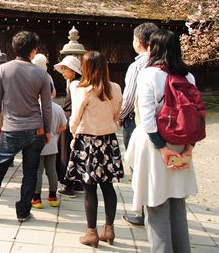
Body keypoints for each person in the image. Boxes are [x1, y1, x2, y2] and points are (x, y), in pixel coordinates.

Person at [126, 29, 198, 253]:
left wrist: (161, 148)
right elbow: (196, 116)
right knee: (178, 205)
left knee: (156, 205)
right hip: (182, 144)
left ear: (153, 48)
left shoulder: (149, 74)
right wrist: (188, 148)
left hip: (154, 145)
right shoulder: (188, 76)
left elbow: (147, 118)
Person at [0, 31, 52, 223]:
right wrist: (48, 130)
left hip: (11, 128)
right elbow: (47, 106)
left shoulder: (2, 70)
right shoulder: (41, 74)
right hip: (35, 129)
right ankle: (23, 211)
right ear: (33, 51)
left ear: (13, 48)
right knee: (30, 171)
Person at [65, 51, 123, 247]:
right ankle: (109, 228)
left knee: (90, 188)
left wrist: (74, 133)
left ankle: (91, 232)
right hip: (108, 140)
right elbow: (117, 113)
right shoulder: (115, 88)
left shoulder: (82, 89)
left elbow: (75, 117)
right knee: (108, 186)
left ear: (86, 68)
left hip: (87, 141)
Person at [120, 22, 159, 226]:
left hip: (137, 122)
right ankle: (156, 209)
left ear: (140, 42)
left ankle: (143, 211)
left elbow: (128, 99)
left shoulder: (138, 66)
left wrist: (119, 117)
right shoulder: (165, 63)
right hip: (161, 122)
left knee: (138, 165)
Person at [32, 77, 67, 209]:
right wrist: (55, 132)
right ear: (53, 92)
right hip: (53, 143)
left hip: (38, 144)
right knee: (51, 170)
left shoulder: (36, 108)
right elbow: (64, 126)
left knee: (38, 172)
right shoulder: (58, 108)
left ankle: (36, 198)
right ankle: (53, 196)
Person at [53, 55, 83, 198]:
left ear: (74, 70)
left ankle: (69, 184)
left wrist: (72, 124)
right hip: (71, 119)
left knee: (66, 152)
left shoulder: (75, 84)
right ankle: (77, 182)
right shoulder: (74, 82)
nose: (63, 72)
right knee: (72, 152)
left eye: (66, 69)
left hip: (71, 120)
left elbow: (77, 105)